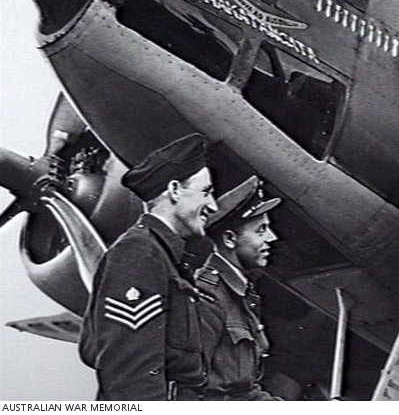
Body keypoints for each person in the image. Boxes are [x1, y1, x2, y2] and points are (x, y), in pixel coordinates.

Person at [79, 133, 219, 400]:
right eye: (206, 192)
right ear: (175, 190)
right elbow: (131, 376)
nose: (213, 205)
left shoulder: (164, 255)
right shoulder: (138, 255)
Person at [177, 176, 285, 401]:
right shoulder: (207, 294)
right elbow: (195, 390)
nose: (272, 238)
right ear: (229, 239)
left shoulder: (241, 292)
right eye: (261, 230)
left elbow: (243, 390)